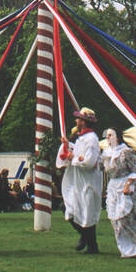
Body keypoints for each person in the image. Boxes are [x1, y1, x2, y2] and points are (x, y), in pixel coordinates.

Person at [56, 108, 103, 254]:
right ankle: (85, 238)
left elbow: (89, 162)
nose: (76, 121)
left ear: (84, 122)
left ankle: (91, 245)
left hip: (88, 181)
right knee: (68, 208)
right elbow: (79, 153)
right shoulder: (83, 138)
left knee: (87, 212)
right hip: (79, 181)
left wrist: (73, 158)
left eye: (78, 119)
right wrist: (69, 145)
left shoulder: (92, 139)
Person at [100, 128, 136, 258]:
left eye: (111, 135)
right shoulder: (106, 153)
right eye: (107, 136)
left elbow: (135, 171)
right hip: (113, 187)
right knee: (115, 220)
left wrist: (128, 185)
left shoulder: (126, 152)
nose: (108, 138)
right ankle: (125, 248)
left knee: (128, 217)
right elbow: (96, 166)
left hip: (126, 185)